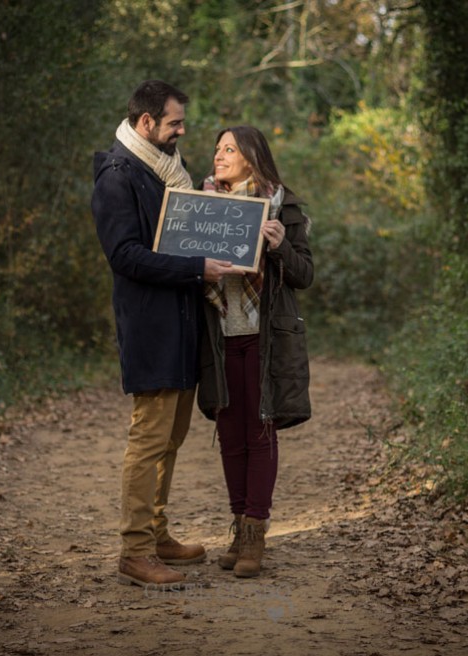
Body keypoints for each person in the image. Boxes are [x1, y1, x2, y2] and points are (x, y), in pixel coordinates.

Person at [91, 80, 242, 589]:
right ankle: (134, 551)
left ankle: (156, 535)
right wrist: (197, 269)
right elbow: (125, 256)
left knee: (172, 438)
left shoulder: (163, 173)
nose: (182, 131)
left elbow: (176, 236)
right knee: (149, 438)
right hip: (151, 327)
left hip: (182, 322)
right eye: (175, 123)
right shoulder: (118, 177)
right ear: (147, 122)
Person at [196, 126, 314, 578]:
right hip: (219, 333)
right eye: (217, 148)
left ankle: (254, 536)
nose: (219, 155)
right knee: (230, 433)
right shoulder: (201, 206)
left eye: (229, 149)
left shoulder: (283, 206)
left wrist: (280, 244)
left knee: (260, 431)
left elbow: (305, 275)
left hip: (264, 334)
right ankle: (237, 525)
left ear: (251, 156)